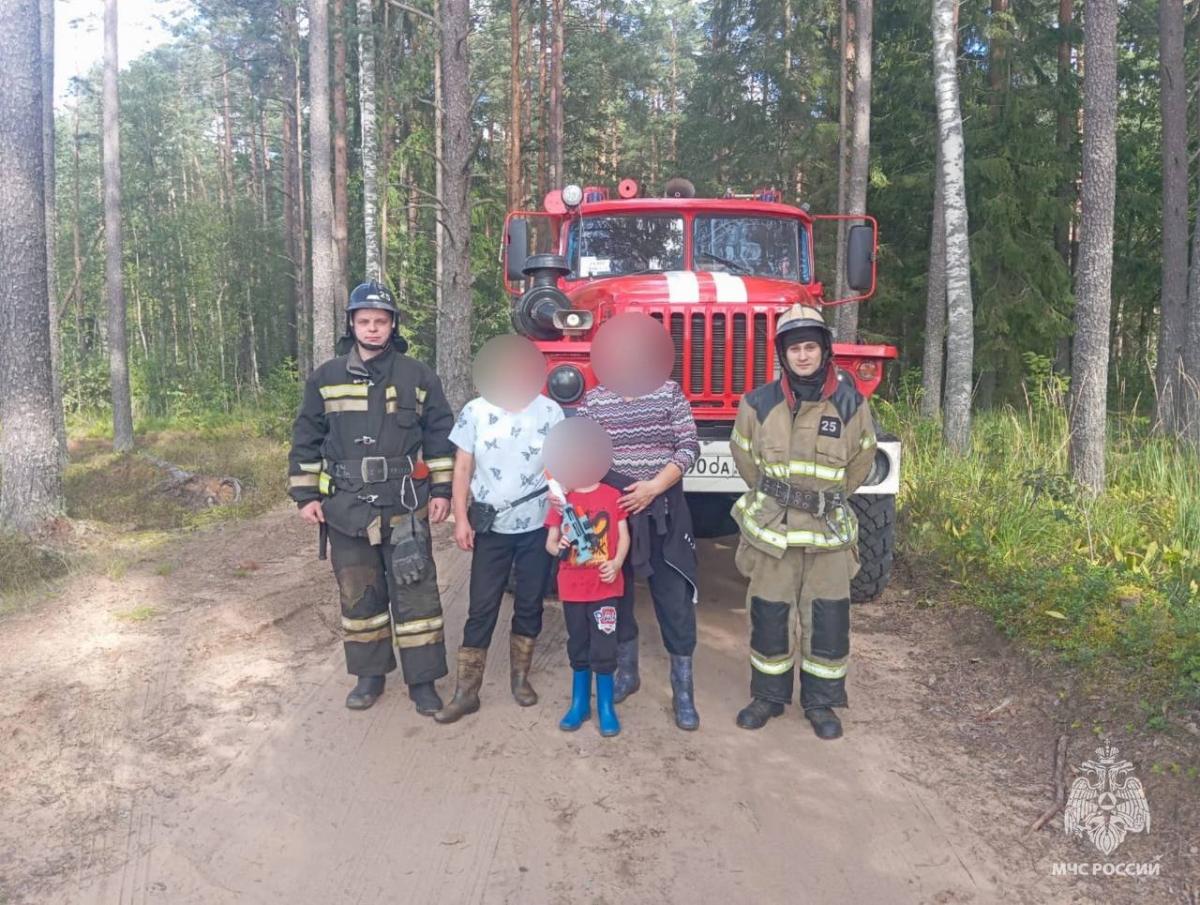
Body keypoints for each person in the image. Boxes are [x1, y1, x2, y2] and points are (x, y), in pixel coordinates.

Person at [287, 281, 455, 714]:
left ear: (392, 325)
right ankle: (369, 676)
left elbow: (439, 436)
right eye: (365, 321)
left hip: (404, 504)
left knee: (416, 595)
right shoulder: (326, 378)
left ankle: (423, 682)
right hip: (347, 507)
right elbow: (306, 436)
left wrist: (440, 490)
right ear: (352, 324)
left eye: (381, 321)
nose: (373, 329)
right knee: (360, 596)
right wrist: (305, 494)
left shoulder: (418, 376)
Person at [729, 304, 877, 739]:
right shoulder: (758, 404)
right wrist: (781, 497)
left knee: (828, 620)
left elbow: (860, 461)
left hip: (827, 535)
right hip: (772, 531)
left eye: (811, 347)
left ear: (825, 350)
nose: (804, 356)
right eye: (795, 349)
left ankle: (822, 703)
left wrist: (823, 500)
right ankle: (768, 697)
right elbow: (745, 458)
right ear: (783, 354)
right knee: (770, 613)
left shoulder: (851, 404)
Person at [577, 314, 701, 731]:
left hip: (663, 511)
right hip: (614, 516)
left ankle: (683, 690)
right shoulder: (593, 402)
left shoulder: (669, 394)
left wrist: (652, 487)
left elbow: (688, 447)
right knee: (616, 597)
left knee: (674, 601)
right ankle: (626, 674)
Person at [434, 337, 563, 724]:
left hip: (538, 526)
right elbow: (462, 468)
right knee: (482, 606)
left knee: (529, 602)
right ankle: (466, 691)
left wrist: (561, 522)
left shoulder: (550, 412)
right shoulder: (475, 411)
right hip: (491, 527)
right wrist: (461, 517)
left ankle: (520, 678)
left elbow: (560, 466)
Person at [544, 462, 630, 738]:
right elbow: (550, 541)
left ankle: (606, 706)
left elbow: (624, 535)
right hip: (572, 588)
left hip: (605, 587)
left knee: (604, 646)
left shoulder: (613, 495)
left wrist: (616, 563)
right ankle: (579, 703)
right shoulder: (561, 501)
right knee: (578, 642)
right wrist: (558, 547)